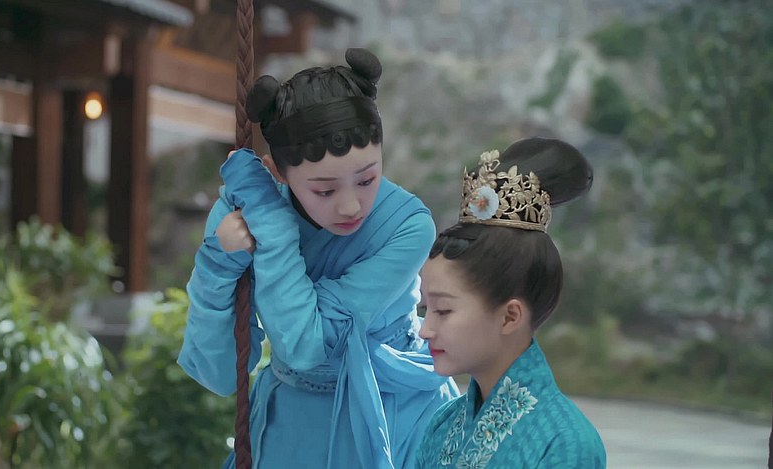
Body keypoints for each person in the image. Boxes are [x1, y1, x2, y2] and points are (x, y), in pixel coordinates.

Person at [178, 48, 458, 469]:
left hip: (395, 411)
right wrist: (219, 261)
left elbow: (306, 346)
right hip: (291, 424)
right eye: (324, 190)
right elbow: (219, 374)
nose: (350, 206)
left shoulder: (408, 227)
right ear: (278, 172)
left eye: (367, 178)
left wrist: (274, 228)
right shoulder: (244, 210)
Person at [414, 137, 607, 468]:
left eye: (443, 310)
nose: (425, 330)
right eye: (425, 309)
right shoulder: (443, 425)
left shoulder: (565, 443)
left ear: (510, 316)